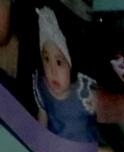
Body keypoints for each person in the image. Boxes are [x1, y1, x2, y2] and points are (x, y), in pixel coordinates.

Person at [32, 7, 96, 144]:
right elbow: (42, 117)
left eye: (59, 62)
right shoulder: (42, 86)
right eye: (46, 59)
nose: (52, 71)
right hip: (56, 151)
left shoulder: (83, 91)